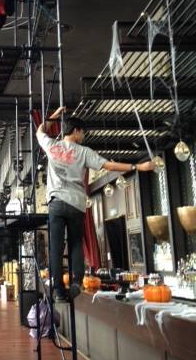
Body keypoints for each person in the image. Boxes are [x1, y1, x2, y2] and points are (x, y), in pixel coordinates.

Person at [36, 106, 155, 303]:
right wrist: (137, 166)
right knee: (76, 242)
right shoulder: (84, 152)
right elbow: (109, 165)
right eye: (82, 133)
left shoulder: (51, 145)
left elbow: (40, 130)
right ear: (75, 131)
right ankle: (76, 282)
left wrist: (53, 116)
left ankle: (59, 291)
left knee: (56, 248)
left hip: (56, 203)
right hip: (76, 204)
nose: (83, 136)